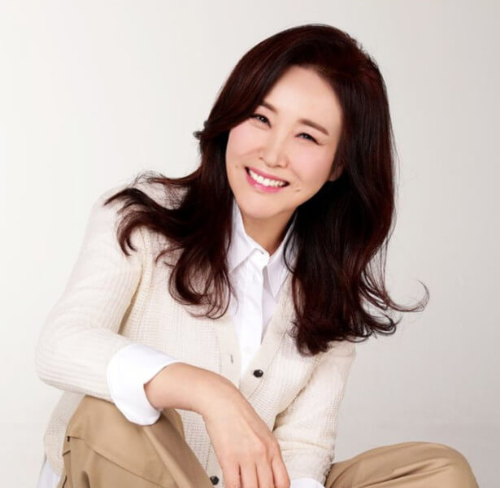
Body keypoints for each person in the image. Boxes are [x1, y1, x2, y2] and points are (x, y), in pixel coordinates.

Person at [35, 23, 479, 488]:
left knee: (440, 473)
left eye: (307, 137)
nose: (272, 154)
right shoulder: (141, 220)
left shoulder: (328, 289)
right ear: (231, 119)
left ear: (339, 165)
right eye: (261, 119)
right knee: (110, 413)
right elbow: (61, 344)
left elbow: (303, 448)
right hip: (120, 475)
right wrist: (210, 392)